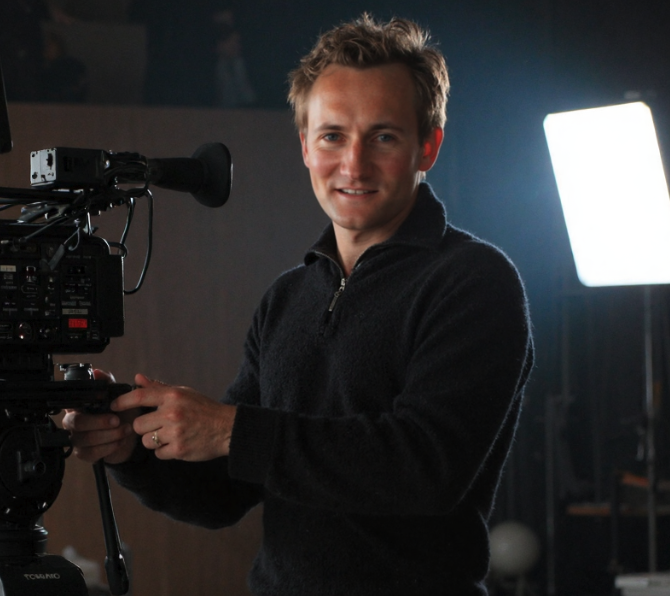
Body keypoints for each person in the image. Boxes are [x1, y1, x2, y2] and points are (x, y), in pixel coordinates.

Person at [64, 13, 535, 595]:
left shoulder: (474, 281)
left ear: (428, 147)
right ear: (306, 148)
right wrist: (132, 447)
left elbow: (423, 469)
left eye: (383, 136)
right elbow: (224, 493)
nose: (353, 164)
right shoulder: (288, 297)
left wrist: (233, 430)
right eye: (333, 135)